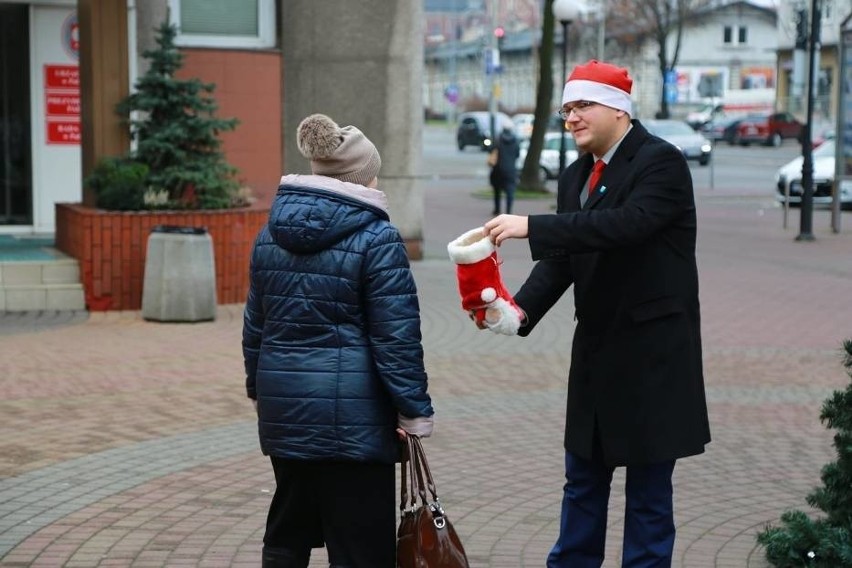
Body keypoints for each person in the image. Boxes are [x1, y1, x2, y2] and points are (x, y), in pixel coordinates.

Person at [481, 60, 711, 567]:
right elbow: (567, 258)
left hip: (653, 361)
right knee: (581, 486)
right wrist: (516, 311)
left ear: (618, 110)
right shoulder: (575, 175)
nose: (571, 118)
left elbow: (625, 226)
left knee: (648, 501)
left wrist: (532, 226)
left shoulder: (661, 162)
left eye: (582, 105)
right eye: (566, 108)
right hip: (596, 357)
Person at [243, 113, 434, 568]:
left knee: (288, 527)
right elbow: (397, 338)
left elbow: (255, 327)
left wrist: (259, 390)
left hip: (285, 410)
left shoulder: (270, 233)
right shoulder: (379, 237)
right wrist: (414, 409)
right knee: (360, 544)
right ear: (366, 175)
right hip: (356, 421)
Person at [489, 125, 520, 215]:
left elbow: (490, 150)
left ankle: (497, 209)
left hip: (498, 170)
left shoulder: (497, 140)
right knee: (510, 192)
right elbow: (517, 154)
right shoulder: (515, 141)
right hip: (511, 170)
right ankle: (508, 211)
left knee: (497, 191)